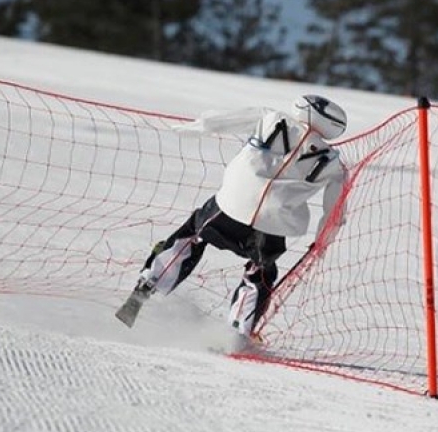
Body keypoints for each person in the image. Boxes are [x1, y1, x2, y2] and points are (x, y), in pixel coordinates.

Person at [115, 94, 349, 337]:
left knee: (191, 236)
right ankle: (238, 332)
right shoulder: (334, 163)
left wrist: (199, 126)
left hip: (230, 205)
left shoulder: (270, 117)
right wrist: (323, 241)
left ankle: (148, 285)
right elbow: (335, 212)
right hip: (273, 224)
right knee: (262, 272)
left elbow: (224, 120)